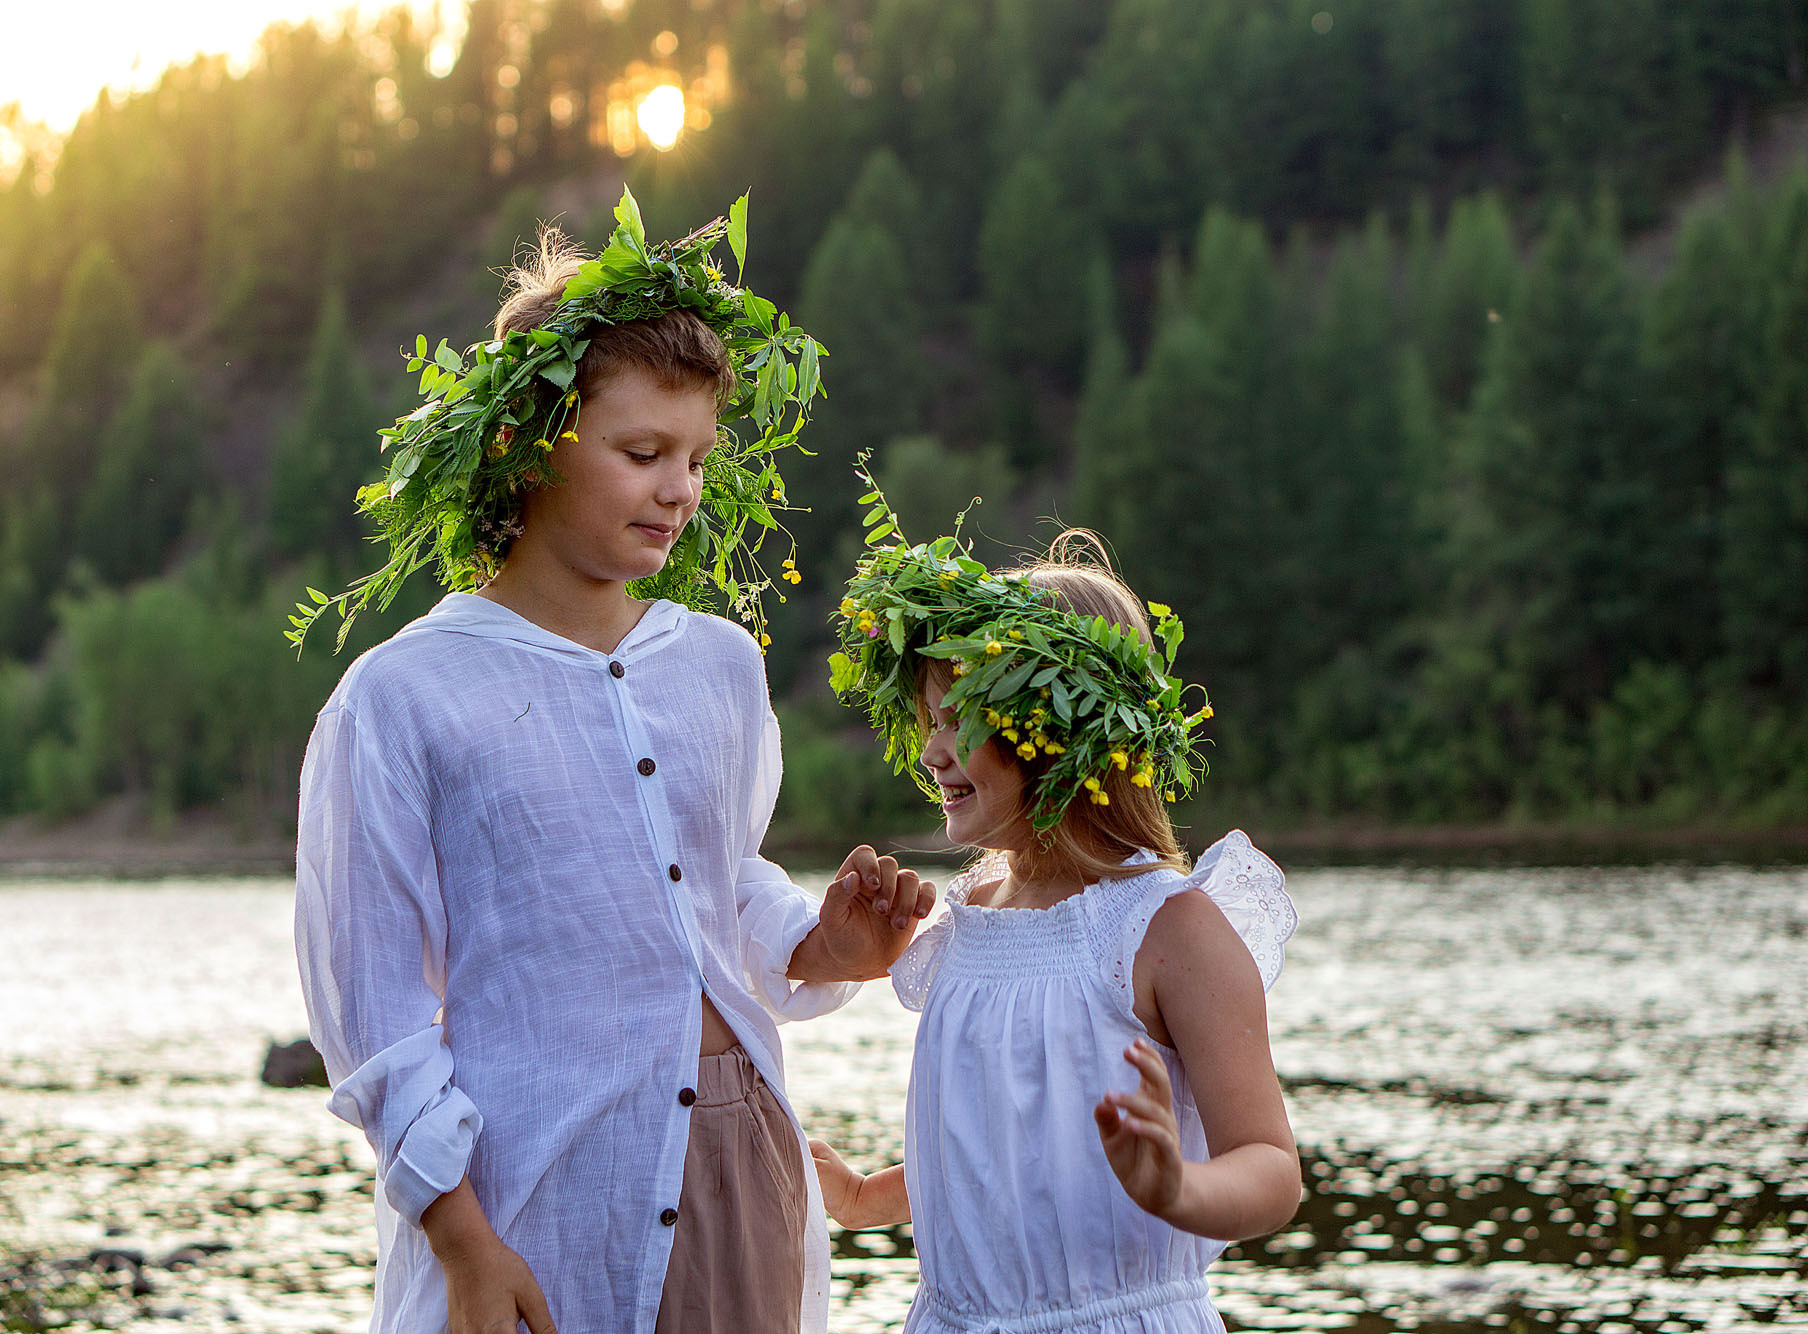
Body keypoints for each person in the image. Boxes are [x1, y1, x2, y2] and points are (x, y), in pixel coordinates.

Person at [293, 194, 936, 1334]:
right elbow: (375, 1016)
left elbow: (714, 885)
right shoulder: (400, 698)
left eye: (693, 456)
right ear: (524, 442)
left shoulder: (721, 667)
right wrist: (463, 1243)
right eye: (641, 452)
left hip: (741, 1148)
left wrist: (819, 944)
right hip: (535, 1185)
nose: (679, 487)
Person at [811, 512, 1301, 1333]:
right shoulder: (972, 915)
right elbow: (1007, 1148)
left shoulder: (1166, 929)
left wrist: (1177, 1184)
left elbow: (1272, 1170)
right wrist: (868, 1199)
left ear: (1062, 729)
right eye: (932, 720)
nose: (933, 752)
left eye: (961, 717)